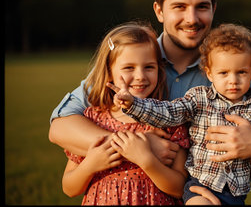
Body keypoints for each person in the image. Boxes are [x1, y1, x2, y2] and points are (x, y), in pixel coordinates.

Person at [48, 0, 251, 189]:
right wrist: (141, 148)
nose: (191, 18)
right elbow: (59, 128)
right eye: (179, 7)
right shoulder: (132, 61)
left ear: (214, 8)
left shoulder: (232, 78)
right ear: (159, 11)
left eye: (202, 6)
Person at [108, 24, 251, 205]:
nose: (233, 80)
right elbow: (168, 113)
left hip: (236, 194)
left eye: (241, 72)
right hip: (200, 186)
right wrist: (133, 104)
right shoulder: (199, 98)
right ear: (209, 73)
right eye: (224, 73)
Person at [61, 21, 190, 205]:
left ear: (159, 70)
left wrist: (146, 160)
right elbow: (69, 188)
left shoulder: (169, 120)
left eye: (149, 67)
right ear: (109, 72)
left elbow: (180, 189)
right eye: (129, 68)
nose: (140, 76)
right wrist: (90, 165)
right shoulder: (93, 120)